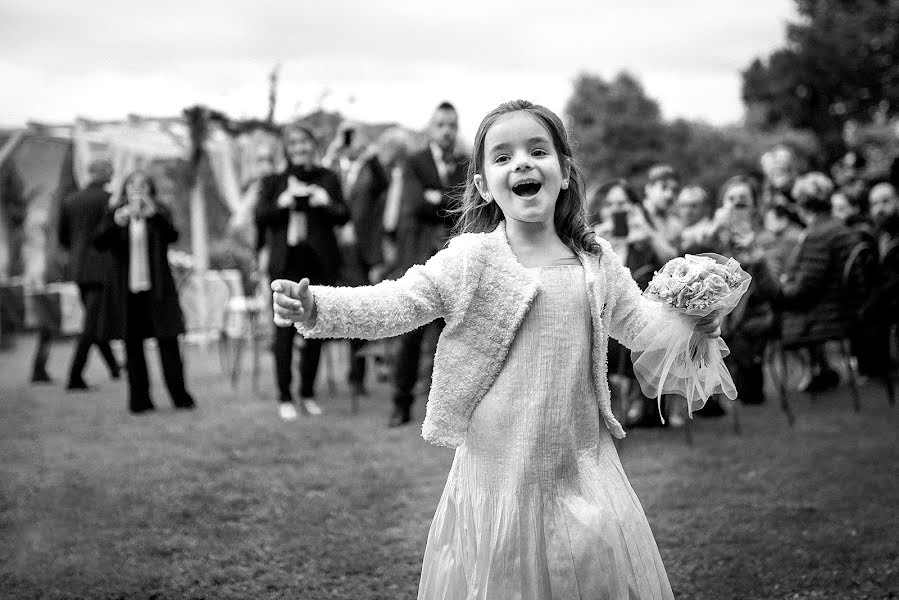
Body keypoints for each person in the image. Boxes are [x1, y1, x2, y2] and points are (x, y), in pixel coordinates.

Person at [272, 100, 725, 597]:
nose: (523, 164)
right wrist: (317, 306)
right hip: (498, 471)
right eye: (502, 157)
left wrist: (691, 317)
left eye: (538, 151)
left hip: (581, 460)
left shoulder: (595, 262)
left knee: (591, 570)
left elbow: (642, 328)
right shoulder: (472, 260)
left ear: (566, 173)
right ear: (485, 184)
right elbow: (398, 302)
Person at [255, 122, 350, 420]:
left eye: (304, 143)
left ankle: (307, 392)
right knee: (282, 330)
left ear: (313, 146)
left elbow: (343, 215)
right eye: (293, 144)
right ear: (287, 149)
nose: (299, 148)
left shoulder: (328, 178)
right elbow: (261, 217)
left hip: (318, 264)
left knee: (313, 329)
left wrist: (325, 202)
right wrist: (282, 203)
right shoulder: (274, 181)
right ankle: (285, 395)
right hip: (285, 264)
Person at [388, 101, 467, 427]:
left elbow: (467, 205)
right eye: (440, 125)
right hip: (419, 259)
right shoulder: (414, 162)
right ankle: (400, 404)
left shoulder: (466, 164)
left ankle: (450, 411)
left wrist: (438, 197)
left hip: (454, 260)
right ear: (430, 128)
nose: (446, 130)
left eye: (452, 125)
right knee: (412, 334)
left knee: (453, 336)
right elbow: (415, 204)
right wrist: (442, 199)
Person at [94, 170, 195, 414]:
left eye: (143, 185)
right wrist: (116, 222)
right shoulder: (115, 213)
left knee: (168, 342)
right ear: (125, 189)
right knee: (133, 345)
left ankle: (180, 397)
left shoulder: (159, 212)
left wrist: (155, 217)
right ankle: (140, 400)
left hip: (158, 290)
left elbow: (173, 235)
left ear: (150, 190)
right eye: (132, 185)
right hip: (127, 291)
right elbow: (98, 243)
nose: (137, 190)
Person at [590, 179, 675, 427]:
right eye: (610, 204)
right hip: (604, 334)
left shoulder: (644, 244)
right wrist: (595, 239)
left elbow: (673, 261)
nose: (617, 210)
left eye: (623, 204)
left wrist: (648, 233)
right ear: (601, 209)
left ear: (634, 207)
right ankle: (617, 404)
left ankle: (643, 405)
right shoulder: (594, 243)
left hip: (643, 332)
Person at [779, 172, 857, 393]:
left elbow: (807, 288)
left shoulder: (818, 235)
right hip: (841, 305)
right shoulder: (840, 228)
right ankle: (820, 368)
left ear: (802, 205)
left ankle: (813, 370)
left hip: (828, 313)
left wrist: (782, 290)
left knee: (775, 311)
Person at [57, 158, 122, 390]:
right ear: (102, 173)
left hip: (78, 268)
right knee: (92, 323)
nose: (113, 175)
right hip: (102, 268)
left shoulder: (70, 200)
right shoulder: (108, 201)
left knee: (95, 320)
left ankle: (114, 366)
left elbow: (63, 238)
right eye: (111, 171)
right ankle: (75, 376)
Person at [641, 164, 680, 260]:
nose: (669, 195)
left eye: (674, 190)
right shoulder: (634, 216)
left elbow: (673, 258)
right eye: (664, 187)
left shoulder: (674, 223)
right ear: (648, 188)